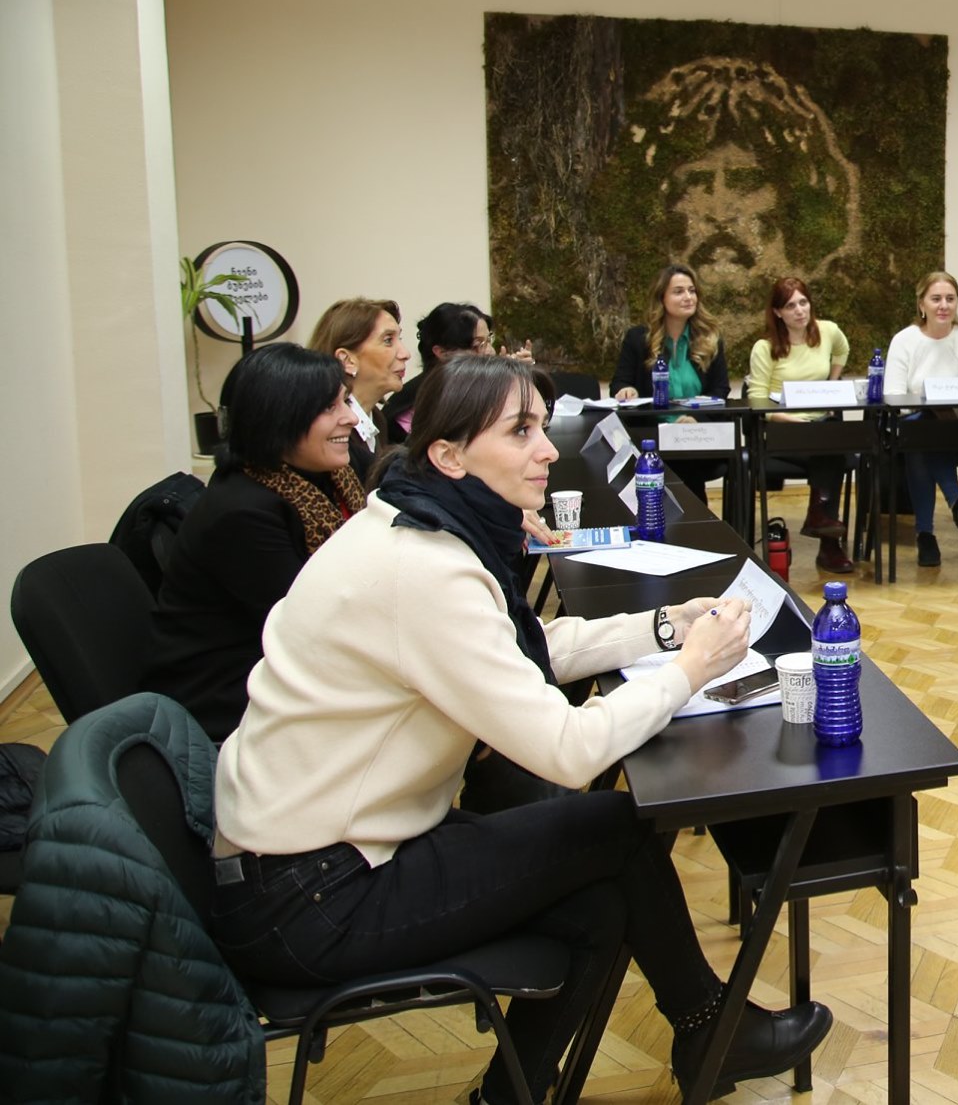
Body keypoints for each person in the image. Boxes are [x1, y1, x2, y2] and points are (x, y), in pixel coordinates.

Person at [208, 356, 832, 1103]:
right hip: (312, 896)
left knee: (599, 901)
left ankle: (547, 1084)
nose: (546, 450)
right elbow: (569, 751)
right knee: (613, 825)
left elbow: (516, 649)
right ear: (450, 456)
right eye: (521, 431)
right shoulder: (425, 569)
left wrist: (664, 627)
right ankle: (711, 1033)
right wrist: (691, 669)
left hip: (311, 860)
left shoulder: (417, 525)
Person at [144, 345, 364, 740]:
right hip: (228, 700)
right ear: (279, 418)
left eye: (345, 401)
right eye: (330, 408)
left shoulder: (330, 478)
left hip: (287, 670)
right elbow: (310, 629)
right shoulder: (242, 513)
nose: (350, 417)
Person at [883, 271, 958, 568]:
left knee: (922, 442)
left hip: (955, 431)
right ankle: (957, 503)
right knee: (920, 433)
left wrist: (943, 392)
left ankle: (925, 535)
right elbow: (893, 394)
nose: (944, 305)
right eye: (936, 299)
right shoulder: (905, 340)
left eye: (950, 298)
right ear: (921, 304)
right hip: (911, 427)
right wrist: (928, 397)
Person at [747, 276, 856, 573]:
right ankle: (828, 543)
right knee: (833, 450)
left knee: (831, 444)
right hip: (781, 430)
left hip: (819, 428)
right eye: (790, 305)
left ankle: (819, 518)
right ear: (778, 312)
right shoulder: (764, 347)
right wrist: (790, 419)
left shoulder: (828, 331)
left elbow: (843, 350)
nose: (799, 310)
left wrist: (832, 382)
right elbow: (757, 400)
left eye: (803, 302)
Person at [612, 264, 733, 501]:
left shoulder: (710, 340)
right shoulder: (638, 339)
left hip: (697, 433)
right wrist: (626, 390)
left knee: (688, 460)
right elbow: (620, 383)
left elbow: (720, 389)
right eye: (679, 291)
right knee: (668, 460)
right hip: (653, 435)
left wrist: (695, 419)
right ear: (662, 298)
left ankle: (688, 518)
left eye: (692, 290)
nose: (688, 297)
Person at [308, 297, 412, 483]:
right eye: (388, 340)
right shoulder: (328, 430)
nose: (405, 354)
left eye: (399, 339)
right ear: (347, 360)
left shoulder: (377, 419)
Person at [387, 302, 492, 442]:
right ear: (442, 352)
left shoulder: (478, 387)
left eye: (488, 341)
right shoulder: (417, 402)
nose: (490, 352)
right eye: (478, 345)